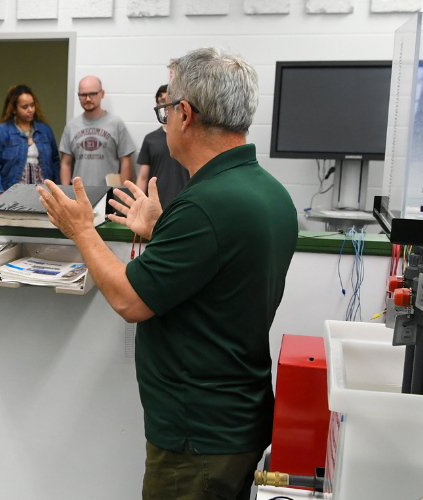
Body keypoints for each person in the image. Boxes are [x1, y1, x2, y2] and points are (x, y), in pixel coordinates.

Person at [36, 48, 297, 500]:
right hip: (238, 418)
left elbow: (128, 300)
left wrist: (81, 229)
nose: (164, 120)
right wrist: (163, 231)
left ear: (185, 114)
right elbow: (220, 277)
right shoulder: (269, 192)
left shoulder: (205, 206)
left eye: (165, 109)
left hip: (197, 438)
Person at [59, 76, 138, 187]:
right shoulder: (71, 126)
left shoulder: (116, 124)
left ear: (102, 94)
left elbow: (125, 161)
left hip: (108, 193)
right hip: (79, 193)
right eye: (83, 95)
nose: (87, 99)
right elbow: (66, 163)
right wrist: (66, 192)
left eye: (92, 94)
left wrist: (122, 192)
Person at [0, 84, 59, 200]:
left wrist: (58, 191)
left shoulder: (44, 130)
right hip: (11, 194)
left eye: (32, 105)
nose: (30, 110)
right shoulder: (1, 131)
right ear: (14, 109)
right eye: (25, 107)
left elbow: (56, 161)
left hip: (42, 194)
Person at [136, 85, 192, 210]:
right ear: (158, 106)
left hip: (185, 204)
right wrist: (139, 204)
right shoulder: (151, 139)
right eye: (162, 101)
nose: (166, 105)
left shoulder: (190, 136)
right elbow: (143, 177)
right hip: (157, 205)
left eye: (169, 100)